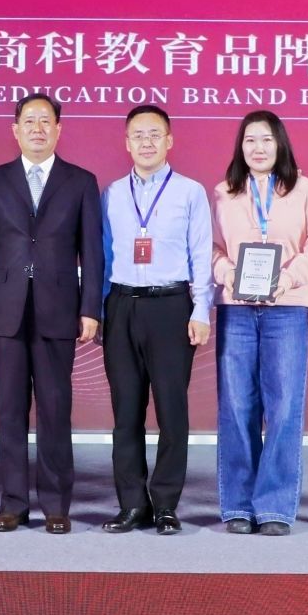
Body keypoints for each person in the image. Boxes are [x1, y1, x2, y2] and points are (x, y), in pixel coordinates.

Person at [0, 92, 104, 534]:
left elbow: (93, 252)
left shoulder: (80, 181)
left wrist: (90, 307)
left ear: (59, 129)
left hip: (59, 309)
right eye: (29, 121)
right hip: (5, 309)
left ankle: (57, 505)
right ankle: (13, 502)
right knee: (9, 411)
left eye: (46, 121)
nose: (38, 128)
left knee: (55, 409)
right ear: (16, 130)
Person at [211, 110, 308, 536]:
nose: (258, 148)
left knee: (283, 408)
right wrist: (227, 273)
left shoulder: (303, 189)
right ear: (240, 147)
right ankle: (238, 504)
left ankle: (275, 506)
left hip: (287, 308)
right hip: (236, 309)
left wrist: (288, 278)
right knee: (236, 406)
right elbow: (211, 249)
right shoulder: (224, 192)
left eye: (266, 139)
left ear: (280, 144)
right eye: (250, 140)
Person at [98, 104, 213, 536]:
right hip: (122, 305)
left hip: (171, 307)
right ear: (126, 143)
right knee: (125, 412)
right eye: (138, 135)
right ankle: (131, 504)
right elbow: (101, 255)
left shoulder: (189, 192)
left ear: (169, 141)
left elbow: (201, 253)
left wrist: (201, 309)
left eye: (154, 134)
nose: (146, 142)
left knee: (171, 410)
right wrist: (100, 311)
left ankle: (165, 504)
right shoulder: (111, 194)